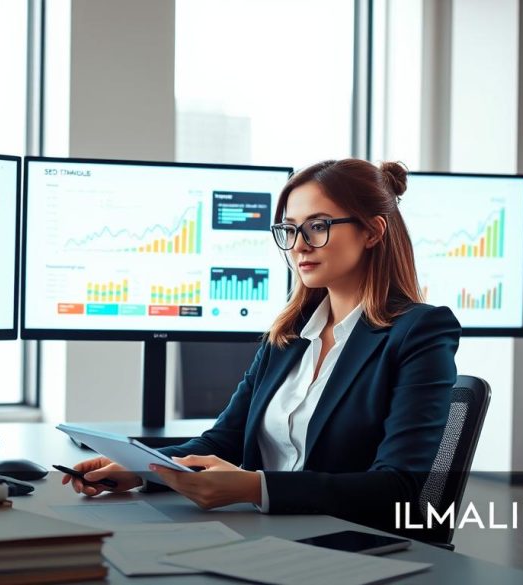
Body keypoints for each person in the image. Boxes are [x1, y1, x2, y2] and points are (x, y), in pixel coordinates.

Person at [62, 158, 461, 530]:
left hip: (346, 542)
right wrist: (141, 468)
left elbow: (401, 488)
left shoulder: (419, 332)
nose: (299, 245)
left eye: (318, 226)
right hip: (261, 531)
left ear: (373, 231)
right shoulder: (289, 334)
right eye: (290, 229)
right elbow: (224, 441)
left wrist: (256, 487)